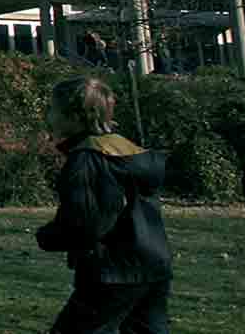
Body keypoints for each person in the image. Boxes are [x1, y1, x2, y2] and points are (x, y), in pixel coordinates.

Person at [36, 77, 172, 334]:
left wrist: (48, 237)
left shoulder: (88, 159)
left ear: (75, 116)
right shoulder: (129, 151)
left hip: (113, 271)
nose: (48, 115)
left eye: (52, 109)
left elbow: (86, 221)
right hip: (154, 264)